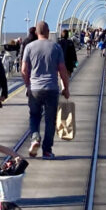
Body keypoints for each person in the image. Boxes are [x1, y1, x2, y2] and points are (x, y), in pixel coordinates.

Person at [21, 21, 70, 159]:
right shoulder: (56, 47)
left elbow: (24, 70)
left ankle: (35, 137)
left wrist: (28, 85)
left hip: (35, 88)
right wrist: (66, 88)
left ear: (36, 32)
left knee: (35, 115)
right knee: (50, 120)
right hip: (51, 88)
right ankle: (47, 150)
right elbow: (62, 70)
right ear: (48, 32)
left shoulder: (29, 47)